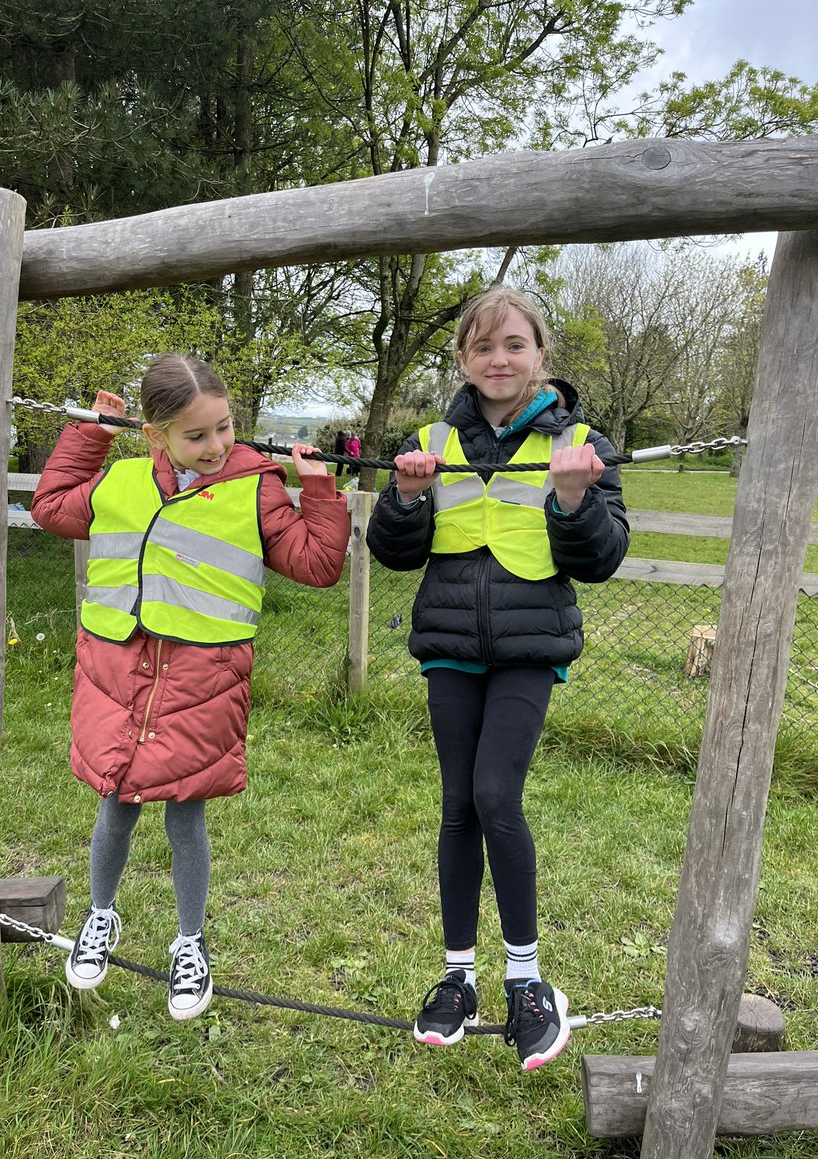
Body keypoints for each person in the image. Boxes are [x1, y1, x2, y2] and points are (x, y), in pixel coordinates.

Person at [32, 353, 349, 1020]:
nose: (216, 445)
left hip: (201, 681)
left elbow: (318, 564)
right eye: (197, 435)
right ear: (156, 435)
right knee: (115, 800)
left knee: (186, 810)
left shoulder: (256, 485)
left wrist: (318, 490)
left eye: (225, 428)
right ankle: (100, 916)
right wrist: (88, 435)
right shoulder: (119, 481)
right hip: (119, 674)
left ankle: (190, 943)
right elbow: (52, 507)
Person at [366, 287, 629, 1069]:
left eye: (515, 344)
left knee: (494, 796)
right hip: (450, 644)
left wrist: (575, 499)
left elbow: (603, 557)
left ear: (541, 354)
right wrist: (408, 497)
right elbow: (394, 550)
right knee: (456, 804)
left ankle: (527, 980)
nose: (500, 359)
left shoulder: (583, 441)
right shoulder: (431, 438)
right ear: (462, 360)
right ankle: (457, 979)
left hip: (528, 649)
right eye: (483, 347)